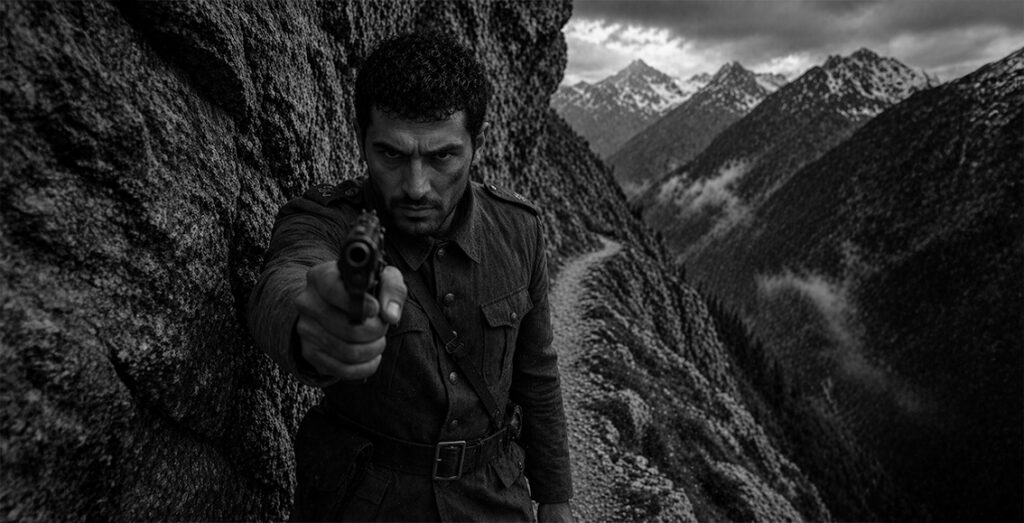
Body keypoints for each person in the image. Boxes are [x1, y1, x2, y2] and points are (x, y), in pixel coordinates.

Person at [248, 32, 574, 522]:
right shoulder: (326, 220)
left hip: (494, 500)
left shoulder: (518, 230)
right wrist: (314, 323)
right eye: (392, 155)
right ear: (361, 141)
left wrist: (554, 497)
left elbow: (537, 372)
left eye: (442, 156)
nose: (417, 187)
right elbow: (288, 277)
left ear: (477, 145)